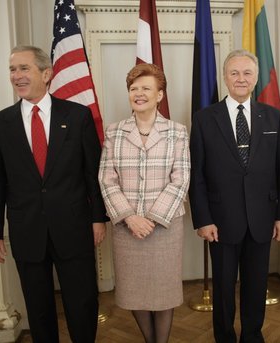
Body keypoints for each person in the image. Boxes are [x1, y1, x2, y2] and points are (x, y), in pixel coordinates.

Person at [0, 45, 107, 343]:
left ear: (46, 73)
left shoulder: (77, 117)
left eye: (24, 68)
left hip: (74, 227)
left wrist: (98, 218)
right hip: (27, 231)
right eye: (13, 69)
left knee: (82, 303)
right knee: (38, 309)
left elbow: (93, 173)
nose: (17, 75)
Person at [189, 49, 280, 342]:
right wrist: (203, 219)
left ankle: (252, 335)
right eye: (234, 72)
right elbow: (196, 175)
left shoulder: (273, 117)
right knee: (223, 288)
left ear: (256, 78)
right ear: (225, 77)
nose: (240, 78)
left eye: (247, 73)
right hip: (220, 222)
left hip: (262, 218)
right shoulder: (204, 119)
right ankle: (224, 337)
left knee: (256, 285)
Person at [98, 63, 190, 343]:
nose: (139, 93)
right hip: (127, 229)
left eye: (146, 88)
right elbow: (106, 179)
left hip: (164, 228)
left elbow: (181, 179)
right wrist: (130, 218)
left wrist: (150, 218)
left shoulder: (177, 131)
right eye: (133, 88)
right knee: (134, 294)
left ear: (160, 95)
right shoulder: (114, 132)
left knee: (163, 295)